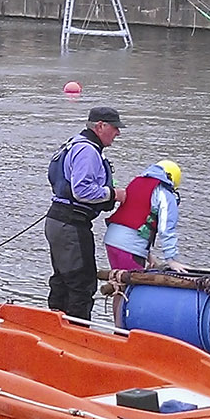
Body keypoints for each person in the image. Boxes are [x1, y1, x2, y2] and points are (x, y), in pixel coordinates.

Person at [45, 106, 125, 320]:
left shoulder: (74, 143)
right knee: (81, 283)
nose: (118, 133)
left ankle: (54, 326)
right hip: (71, 224)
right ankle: (77, 332)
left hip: (58, 221)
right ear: (100, 126)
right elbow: (81, 190)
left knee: (62, 280)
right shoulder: (87, 151)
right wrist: (113, 194)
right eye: (115, 127)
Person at [104, 160, 186, 272]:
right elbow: (166, 228)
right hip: (129, 246)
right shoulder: (165, 194)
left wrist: (148, 255)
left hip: (111, 240)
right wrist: (171, 260)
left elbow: (136, 218)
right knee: (131, 281)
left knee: (118, 279)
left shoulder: (137, 182)